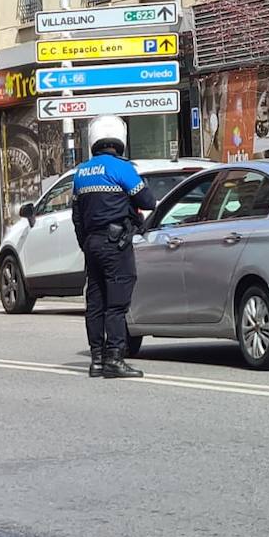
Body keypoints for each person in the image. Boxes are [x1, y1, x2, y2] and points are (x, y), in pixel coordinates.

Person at [72, 115, 156, 380]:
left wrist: (85, 244)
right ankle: (115, 359)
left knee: (95, 302)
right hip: (115, 244)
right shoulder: (121, 168)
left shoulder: (81, 172)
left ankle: (96, 360)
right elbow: (149, 200)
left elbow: (76, 216)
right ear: (120, 139)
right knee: (116, 304)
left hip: (92, 244)